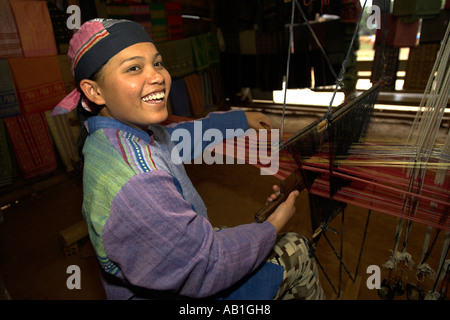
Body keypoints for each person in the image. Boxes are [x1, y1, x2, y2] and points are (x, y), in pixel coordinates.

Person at [52, 18, 324, 300]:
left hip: (172, 267)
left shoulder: (108, 137)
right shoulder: (139, 181)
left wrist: (240, 119)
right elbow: (207, 266)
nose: (157, 76)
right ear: (93, 91)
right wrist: (274, 225)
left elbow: (177, 137)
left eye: (157, 63)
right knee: (298, 250)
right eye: (134, 68)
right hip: (191, 283)